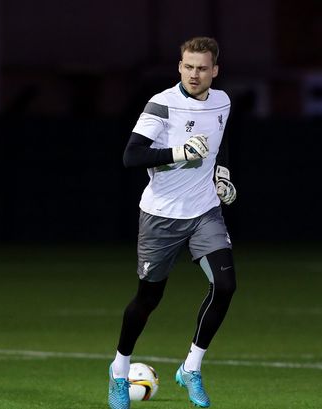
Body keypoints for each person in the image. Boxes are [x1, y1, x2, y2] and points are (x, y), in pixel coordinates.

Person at [108, 36, 237, 409]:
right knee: (149, 299)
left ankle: (191, 367)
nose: (194, 74)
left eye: (202, 68)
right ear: (179, 66)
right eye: (188, 67)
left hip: (204, 212)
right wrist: (179, 152)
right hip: (161, 215)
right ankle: (119, 370)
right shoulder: (162, 105)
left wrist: (223, 175)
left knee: (226, 285)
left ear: (215, 70)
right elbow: (131, 156)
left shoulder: (222, 101)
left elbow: (219, 140)